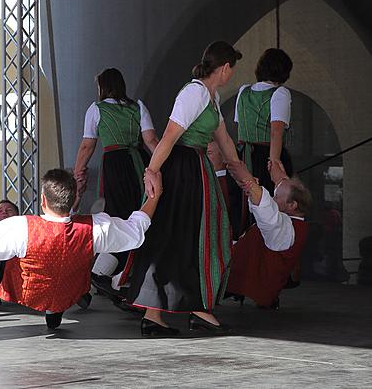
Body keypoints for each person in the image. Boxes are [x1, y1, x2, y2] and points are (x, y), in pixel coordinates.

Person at [126, 41, 251, 337]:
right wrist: (152, 172)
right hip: (182, 169)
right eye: (232, 69)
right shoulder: (194, 92)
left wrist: (242, 174)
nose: (232, 74)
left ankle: (181, 311)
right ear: (224, 68)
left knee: (183, 237)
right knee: (178, 237)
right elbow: (169, 136)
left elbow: (225, 141)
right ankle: (180, 312)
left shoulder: (210, 95)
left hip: (194, 170)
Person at [0, 168, 160, 329]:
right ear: (73, 201)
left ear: (43, 201)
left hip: (28, 295)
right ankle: (56, 308)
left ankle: (46, 306)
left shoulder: (20, 227)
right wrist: (154, 195)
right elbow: (136, 231)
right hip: (70, 292)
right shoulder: (95, 228)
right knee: (80, 265)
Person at [73, 68, 159, 292]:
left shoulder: (96, 109)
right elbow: (150, 140)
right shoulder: (138, 106)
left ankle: (103, 272)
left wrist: (77, 172)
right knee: (139, 212)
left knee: (116, 214)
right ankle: (123, 274)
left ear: (103, 87)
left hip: (114, 163)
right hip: (138, 163)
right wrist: (162, 166)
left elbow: (87, 145)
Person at [227, 161, 310, 308]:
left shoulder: (286, 229)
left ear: (292, 205)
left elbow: (267, 214)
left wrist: (250, 183)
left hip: (241, 279)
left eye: (277, 197)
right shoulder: (289, 223)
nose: (273, 198)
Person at [230, 48, 294, 237]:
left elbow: (240, 125)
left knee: (241, 202)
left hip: (242, 154)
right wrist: (274, 163)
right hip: (266, 155)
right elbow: (276, 131)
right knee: (269, 205)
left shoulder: (243, 91)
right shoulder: (280, 93)